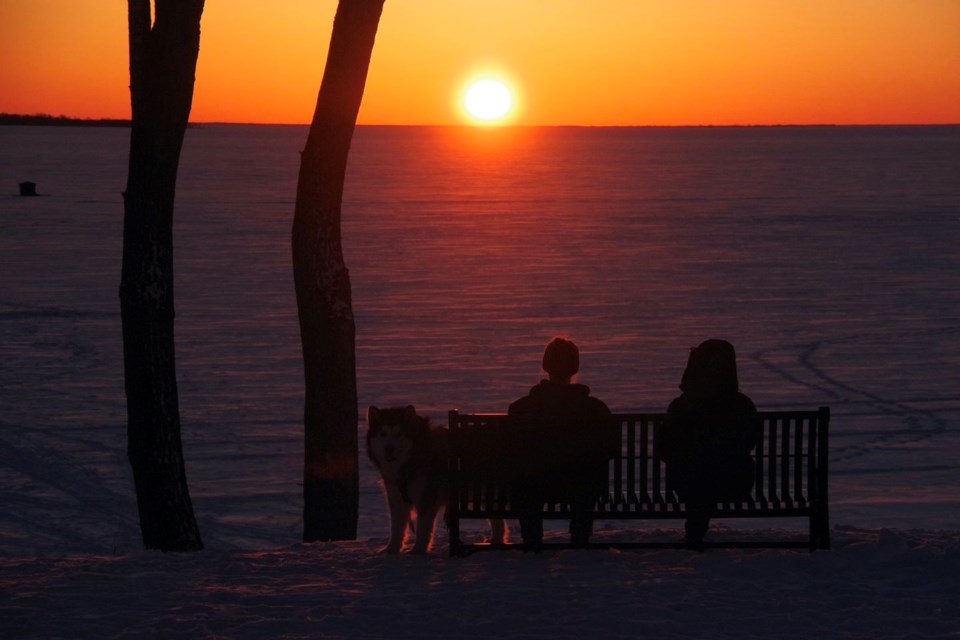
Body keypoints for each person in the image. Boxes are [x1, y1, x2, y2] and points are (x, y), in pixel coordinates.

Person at [507, 337, 614, 550]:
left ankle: (532, 538)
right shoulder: (595, 409)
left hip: (534, 485)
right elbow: (609, 450)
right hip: (581, 486)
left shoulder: (521, 408)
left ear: (545, 366)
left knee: (525, 480)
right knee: (588, 479)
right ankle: (580, 537)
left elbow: (510, 451)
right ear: (575, 367)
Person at [656, 339, 761, 547]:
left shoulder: (682, 406)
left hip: (689, 486)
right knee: (709, 471)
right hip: (734, 484)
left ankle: (695, 530)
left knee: (697, 474)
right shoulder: (742, 405)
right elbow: (750, 442)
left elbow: (664, 449)